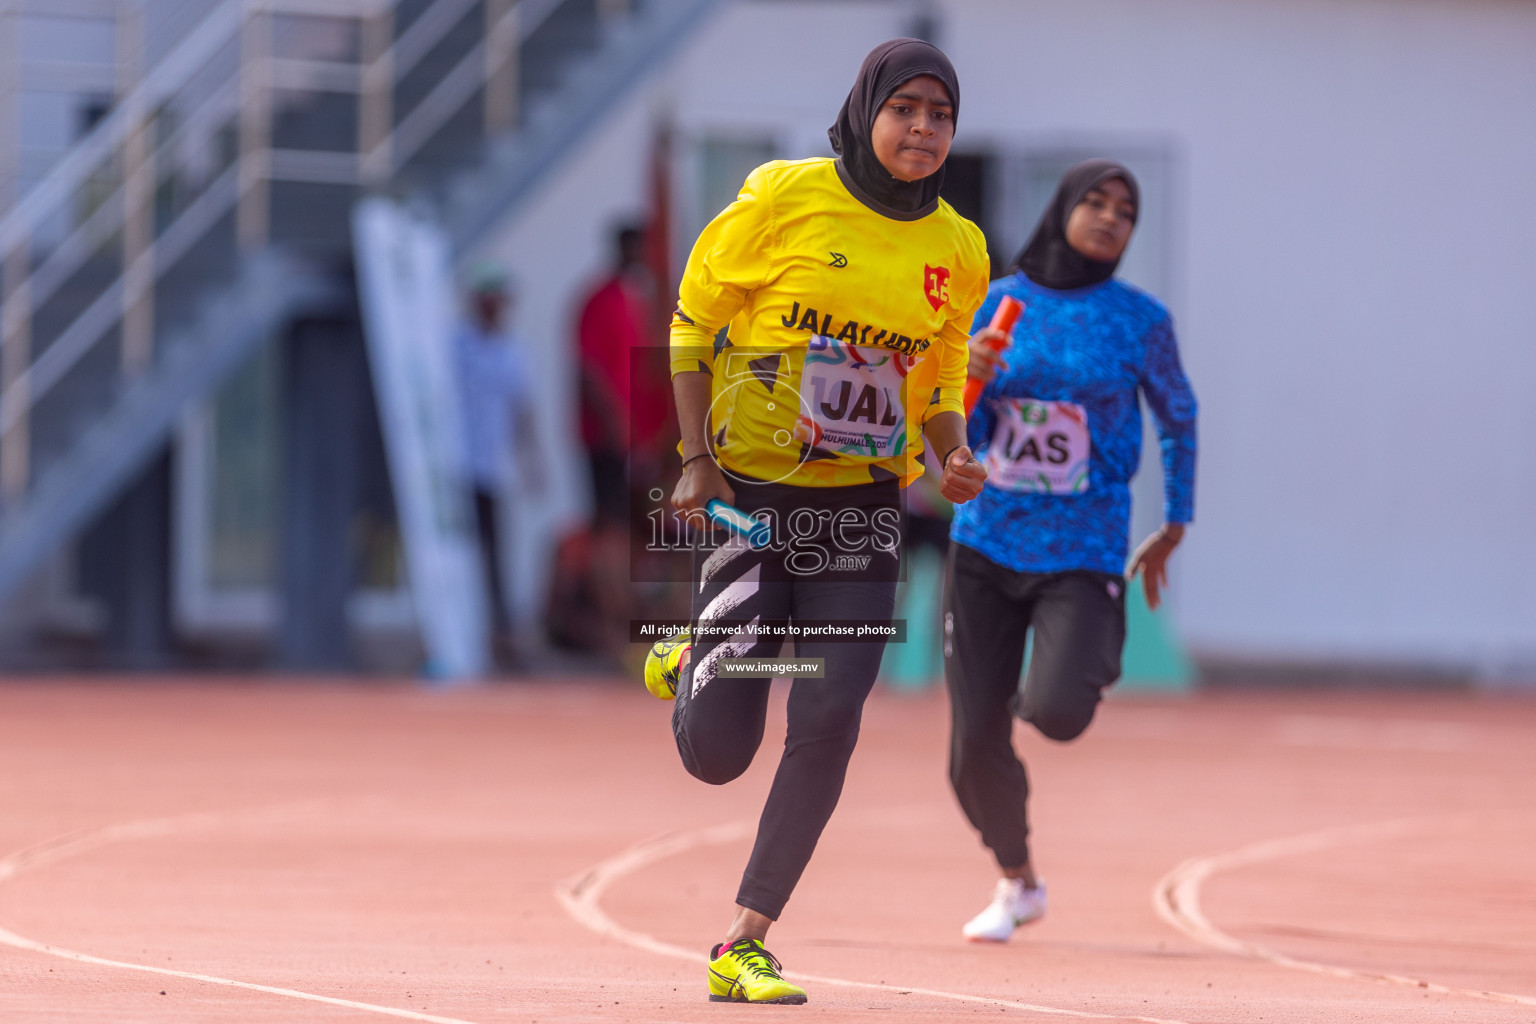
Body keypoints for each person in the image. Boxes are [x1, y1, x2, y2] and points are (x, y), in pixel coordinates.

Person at [641, 39, 990, 1004]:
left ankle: (744, 938)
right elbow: (688, 321)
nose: (923, 130)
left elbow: (940, 375)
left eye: (941, 116)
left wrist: (949, 451)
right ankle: (692, 662)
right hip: (751, 502)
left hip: (863, 511)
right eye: (906, 109)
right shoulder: (782, 195)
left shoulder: (958, 247)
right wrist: (693, 460)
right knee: (717, 755)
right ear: (868, 109)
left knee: (830, 715)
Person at [944, 160, 1198, 941]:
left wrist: (1177, 518)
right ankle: (1018, 881)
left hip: (1084, 549)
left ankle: (1085, 655)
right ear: (1061, 209)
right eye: (1095, 200)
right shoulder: (998, 303)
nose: (1110, 217)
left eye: (1127, 210)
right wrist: (971, 383)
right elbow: (961, 435)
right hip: (986, 544)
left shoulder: (1139, 319)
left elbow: (1178, 417)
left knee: (1054, 711)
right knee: (969, 752)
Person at [452, 262, 542, 669]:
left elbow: (522, 412)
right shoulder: (455, 345)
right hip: (455, 468)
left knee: (494, 556)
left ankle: (500, 637)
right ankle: (457, 633)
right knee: (456, 554)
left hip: (492, 468)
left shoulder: (511, 353)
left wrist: (530, 462)